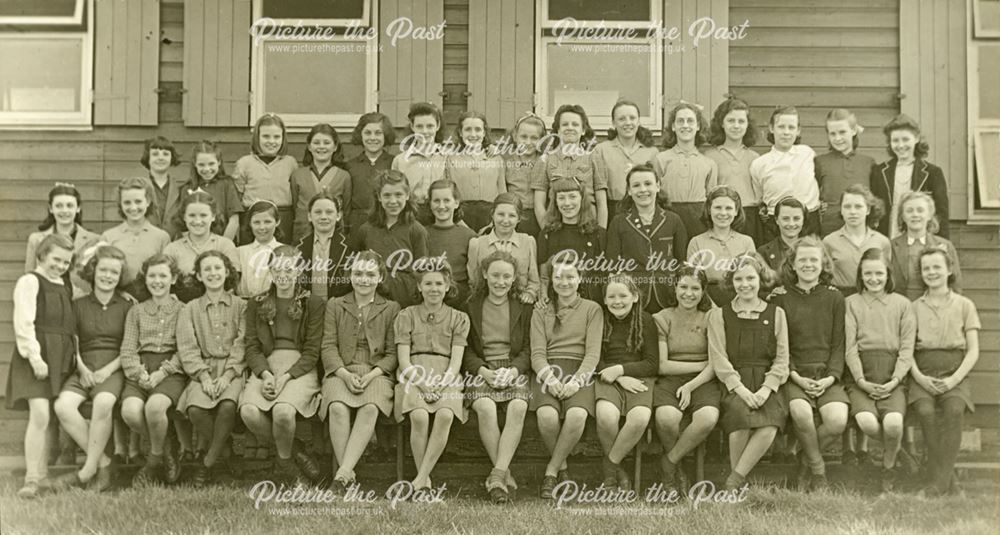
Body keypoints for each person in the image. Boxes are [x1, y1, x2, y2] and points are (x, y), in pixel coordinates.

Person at [239, 245, 324, 486]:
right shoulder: (258, 303)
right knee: (249, 412)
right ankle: (291, 455)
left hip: (298, 367)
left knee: (283, 412)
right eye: (277, 270)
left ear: (299, 271)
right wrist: (265, 375)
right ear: (271, 272)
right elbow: (252, 346)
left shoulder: (313, 303)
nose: (283, 275)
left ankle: (286, 463)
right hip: (267, 364)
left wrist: (285, 377)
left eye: (289, 269)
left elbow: (311, 351)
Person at [51, 246, 131, 492]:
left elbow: (129, 347)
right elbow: (72, 341)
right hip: (83, 366)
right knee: (62, 406)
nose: (108, 276)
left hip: (114, 367)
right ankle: (104, 463)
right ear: (93, 271)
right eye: (103, 270)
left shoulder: (127, 306)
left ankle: (87, 471)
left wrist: (107, 371)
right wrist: (82, 368)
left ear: (120, 276)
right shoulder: (78, 304)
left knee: (104, 402)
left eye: (114, 272)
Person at [708, 254, 789, 491]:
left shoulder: (776, 313)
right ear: (731, 282)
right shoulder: (720, 315)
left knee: (769, 425)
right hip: (734, 382)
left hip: (767, 381)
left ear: (760, 279)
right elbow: (719, 358)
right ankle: (738, 483)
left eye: (750, 278)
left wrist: (766, 389)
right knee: (739, 420)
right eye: (739, 279)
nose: (745, 284)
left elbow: (782, 359)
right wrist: (741, 390)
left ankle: (734, 481)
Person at [772, 237, 847, 491]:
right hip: (794, 374)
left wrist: (831, 377)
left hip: (826, 374)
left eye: (813, 259)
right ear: (792, 263)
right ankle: (818, 471)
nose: (808, 264)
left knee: (836, 420)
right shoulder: (780, 298)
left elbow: (839, 344)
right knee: (801, 414)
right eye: (802, 259)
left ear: (823, 263)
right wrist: (794, 375)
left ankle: (805, 459)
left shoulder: (835, 298)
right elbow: (780, 345)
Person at [321, 250, 400, 492]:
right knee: (337, 407)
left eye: (369, 274)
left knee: (370, 407)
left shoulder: (391, 308)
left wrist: (373, 374)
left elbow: (393, 353)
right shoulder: (335, 305)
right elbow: (328, 345)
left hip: (376, 373)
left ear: (379, 278)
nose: (363, 279)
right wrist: (343, 374)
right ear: (350, 276)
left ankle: (342, 474)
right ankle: (348, 475)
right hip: (341, 370)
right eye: (358, 273)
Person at [8, 235, 77, 499]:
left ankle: (44, 474)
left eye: (66, 262)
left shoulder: (62, 284)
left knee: (48, 418)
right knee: (39, 414)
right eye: (56, 259)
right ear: (41, 256)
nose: (60, 265)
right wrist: (35, 357)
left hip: (58, 357)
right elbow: (24, 322)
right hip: (37, 355)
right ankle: (32, 479)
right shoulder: (30, 282)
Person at [394, 260, 470, 490]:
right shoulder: (406, 315)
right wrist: (423, 385)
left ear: (447, 286)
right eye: (428, 283)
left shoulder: (459, 318)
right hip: (413, 372)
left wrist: (440, 385)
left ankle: (419, 480)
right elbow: (404, 360)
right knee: (419, 416)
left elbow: (456, 362)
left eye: (439, 283)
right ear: (419, 287)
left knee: (445, 414)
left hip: (446, 374)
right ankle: (423, 480)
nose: (433, 288)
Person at [532, 258, 603, 499]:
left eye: (570, 277)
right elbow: (537, 354)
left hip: (580, 370)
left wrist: (576, 382)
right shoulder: (541, 309)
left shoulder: (592, 309)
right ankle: (562, 469)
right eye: (559, 277)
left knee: (576, 415)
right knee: (546, 416)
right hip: (548, 369)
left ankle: (551, 471)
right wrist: (551, 380)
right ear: (551, 280)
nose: (565, 282)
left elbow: (593, 353)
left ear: (580, 279)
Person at [844, 247, 915, 492]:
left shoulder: (902, 304)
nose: (874, 279)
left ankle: (888, 467)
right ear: (860, 276)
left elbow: (907, 349)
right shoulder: (851, 303)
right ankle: (899, 451)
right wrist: (861, 381)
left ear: (888, 274)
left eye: (879, 273)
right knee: (866, 422)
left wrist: (895, 381)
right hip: (861, 374)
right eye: (868, 274)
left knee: (894, 423)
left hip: (892, 375)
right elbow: (850, 347)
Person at [910, 248, 979, 497]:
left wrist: (953, 380)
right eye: (926, 268)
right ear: (921, 273)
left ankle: (936, 483)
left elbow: (973, 351)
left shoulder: (964, 305)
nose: (932, 272)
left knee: (953, 411)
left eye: (937, 267)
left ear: (949, 270)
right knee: (926, 412)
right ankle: (948, 481)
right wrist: (919, 378)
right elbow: (906, 350)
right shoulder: (914, 307)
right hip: (922, 371)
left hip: (955, 371)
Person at [464, 251, 532, 503]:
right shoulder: (471, 305)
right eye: (495, 275)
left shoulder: (524, 307)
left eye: (506, 276)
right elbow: (466, 349)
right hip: (482, 368)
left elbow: (528, 347)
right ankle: (504, 473)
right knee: (485, 407)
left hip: (514, 367)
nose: (500, 281)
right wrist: (483, 371)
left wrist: (513, 370)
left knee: (518, 406)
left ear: (514, 278)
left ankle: (497, 475)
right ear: (484, 274)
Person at [175, 251, 246, 486]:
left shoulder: (241, 306)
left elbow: (243, 343)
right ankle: (226, 453)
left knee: (227, 406)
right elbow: (187, 347)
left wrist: (227, 375)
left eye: (217, 268)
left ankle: (207, 463)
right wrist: (203, 376)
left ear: (226, 272)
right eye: (207, 270)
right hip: (203, 368)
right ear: (199, 275)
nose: (213, 274)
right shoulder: (190, 309)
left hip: (232, 369)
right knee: (195, 409)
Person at [119, 254, 188, 485]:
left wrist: (162, 372)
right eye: (152, 276)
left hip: (171, 371)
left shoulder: (183, 310)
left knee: (155, 408)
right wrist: (140, 374)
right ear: (145, 279)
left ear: (173, 279)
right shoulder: (136, 311)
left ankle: (153, 462)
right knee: (130, 411)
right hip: (140, 368)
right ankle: (166, 446)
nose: (157, 281)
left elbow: (185, 350)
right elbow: (128, 349)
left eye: (163, 276)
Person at [652, 266, 720, 494]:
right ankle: (678, 470)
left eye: (695, 288)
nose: (688, 293)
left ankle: (668, 463)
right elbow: (662, 365)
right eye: (683, 287)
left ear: (703, 292)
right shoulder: (662, 318)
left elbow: (715, 364)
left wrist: (692, 384)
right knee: (666, 418)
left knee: (707, 418)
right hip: (671, 379)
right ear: (675, 288)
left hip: (704, 381)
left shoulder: (711, 317)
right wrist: (701, 365)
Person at [595, 273, 658, 491]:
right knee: (605, 416)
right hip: (608, 378)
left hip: (640, 378)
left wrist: (622, 369)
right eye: (611, 296)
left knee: (639, 418)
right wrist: (618, 376)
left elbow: (652, 363)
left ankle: (610, 466)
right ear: (604, 299)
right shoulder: (599, 319)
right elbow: (595, 359)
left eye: (623, 295)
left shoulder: (646, 321)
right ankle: (619, 472)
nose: (617, 301)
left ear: (635, 297)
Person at [605, 164, 687, 313]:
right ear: (629, 191)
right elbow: (613, 266)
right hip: (633, 295)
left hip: (667, 294)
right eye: (636, 185)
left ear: (658, 186)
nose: (643, 190)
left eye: (648, 184)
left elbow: (682, 263)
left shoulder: (673, 220)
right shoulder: (619, 222)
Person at [348, 170, 429, 308]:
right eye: (387, 195)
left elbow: (422, 272)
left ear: (407, 195)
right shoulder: (365, 230)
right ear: (379, 197)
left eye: (398, 195)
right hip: (373, 296)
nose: (393, 201)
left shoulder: (416, 230)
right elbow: (355, 266)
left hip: (405, 299)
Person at [870, 114, 950, 239]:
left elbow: (942, 214)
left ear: (916, 138)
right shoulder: (879, 171)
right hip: (887, 232)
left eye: (905, 139)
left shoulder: (932, 173)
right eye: (895, 140)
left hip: (921, 234)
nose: (901, 145)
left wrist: (941, 243)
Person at [531, 104, 608, 229]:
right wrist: (547, 232)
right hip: (556, 226)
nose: (570, 128)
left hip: (588, 226)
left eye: (575, 124)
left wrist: (601, 234)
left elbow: (602, 203)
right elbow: (539, 204)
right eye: (565, 124)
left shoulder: (594, 158)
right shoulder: (545, 160)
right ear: (557, 130)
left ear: (583, 130)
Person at [750, 106, 821, 241]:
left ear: (798, 131)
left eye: (791, 127)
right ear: (771, 128)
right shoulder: (760, 164)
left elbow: (818, 182)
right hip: (775, 223)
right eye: (781, 127)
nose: (786, 132)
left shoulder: (808, 154)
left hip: (809, 221)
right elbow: (760, 197)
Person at [651, 102, 718, 236]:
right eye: (680, 121)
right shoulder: (661, 159)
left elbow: (712, 199)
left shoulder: (709, 163)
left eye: (690, 121)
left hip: (699, 220)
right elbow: (654, 194)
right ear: (673, 127)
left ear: (698, 126)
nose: (685, 125)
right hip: (668, 216)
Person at [25, 183, 100, 297]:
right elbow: (29, 277)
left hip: (81, 302)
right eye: (59, 206)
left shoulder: (94, 240)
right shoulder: (36, 239)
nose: (64, 211)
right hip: (48, 302)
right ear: (51, 208)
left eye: (69, 205)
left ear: (78, 208)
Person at [233, 113, 298, 244]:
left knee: (281, 257)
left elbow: (296, 195)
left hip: (283, 217)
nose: (271, 141)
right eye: (266, 136)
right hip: (253, 218)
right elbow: (237, 198)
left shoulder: (290, 163)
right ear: (257, 137)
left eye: (276, 137)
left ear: (283, 138)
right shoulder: (244, 163)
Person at [704, 98, 762, 244]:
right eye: (731, 121)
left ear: (748, 125)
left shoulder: (755, 158)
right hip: (722, 216)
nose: (736, 126)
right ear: (721, 124)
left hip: (750, 217)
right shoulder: (710, 156)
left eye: (741, 121)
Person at [467, 194, 541, 304]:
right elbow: (473, 281)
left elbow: (534, 281)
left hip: (520, 303)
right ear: (492, 215)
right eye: (501, 214)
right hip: (487, 302)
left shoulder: (528, 242)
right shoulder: (477, 244)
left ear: (519, 218)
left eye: (512, 216)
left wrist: (529, 293)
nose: (505, 220)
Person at [688, 186, 756, 306]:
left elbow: (750, 280)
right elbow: (694, 282)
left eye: (728, 208)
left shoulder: (746, 242)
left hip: (740, 303)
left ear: (736, 211)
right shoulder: (697, 242)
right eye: (718, 207)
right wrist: (712, 309)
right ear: (709, 209)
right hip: (707, 304)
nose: (723, 213)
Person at [592, 100, 658, 221]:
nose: (628, 123)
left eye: (632, 118)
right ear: (613, 123)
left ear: (639, 121)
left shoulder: (652, 152)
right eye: (622, 119)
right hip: (612, 210)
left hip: (642, 210)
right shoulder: (601, 150)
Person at [889, 192, 961, 300]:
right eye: (909, 211)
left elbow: (955, 284)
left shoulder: (944, 245)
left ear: (929, 215)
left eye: (920, 210)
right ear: (903, 216)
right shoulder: (891, 246)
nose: (915, 215)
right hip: (901, 309)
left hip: (934, 307)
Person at [815, 109, 876, 237]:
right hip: (830, 229)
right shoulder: (820, 162)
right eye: (832, 134)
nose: (838, 138)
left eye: (842, 132)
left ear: (853, 131)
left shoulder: (868, 162)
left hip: (861, 228)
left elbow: (874, 197)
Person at [822, 184, 891, 296]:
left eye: (858, 206)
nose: (852, 212)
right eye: (847, 207)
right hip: (841, 298)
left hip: (872, 297)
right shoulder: (829, 241)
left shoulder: (882, 241)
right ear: (841, 210)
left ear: (868, 209)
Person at [445, 110, 507, 234]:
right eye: (468, 129)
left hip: (490, 218)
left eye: (478, 130)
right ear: (460, 133)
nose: (473, 134)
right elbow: (448, 193)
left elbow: (502, 193)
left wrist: (492, 224)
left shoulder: (496, 159)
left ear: (484, 133)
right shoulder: (451, 159)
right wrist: (460, 223)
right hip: (461, 217)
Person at [290, 123, 351, 244]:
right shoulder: (297, 175)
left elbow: (347, 210)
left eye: (327, 143)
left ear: (335, 147)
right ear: (309, 146)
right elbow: (294, 206)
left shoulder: (344, 176)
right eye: (316, 143)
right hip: (302, 233)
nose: (321, 147)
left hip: (333, 234)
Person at [392, 102, 447, 225]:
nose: (425, 131)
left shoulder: (447, 157)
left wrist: (489, 147)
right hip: (410, 215)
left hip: (440, 215)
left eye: (430, 126)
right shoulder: (401, 160)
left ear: (437, 126)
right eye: (419, 126)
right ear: (412, 127)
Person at [184, 140, 242, 241]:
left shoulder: (227, 184)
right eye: (202, 165)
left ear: (219, 162)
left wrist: (223, 245)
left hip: (222, 242)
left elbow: (234, 220)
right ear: (195, 164)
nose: (207, 169)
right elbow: (183, 223)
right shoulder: (187, 188)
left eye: (211, 164)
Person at [346, 112, 396, 232]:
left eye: (378, 133)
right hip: (357, 223)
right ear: (360, 135)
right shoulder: (350, 166)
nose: (372, 138)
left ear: (386, 135)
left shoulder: (394, 163)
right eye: (367, 133)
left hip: (386, 221)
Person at [503, 112, 547, 237]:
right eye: (524, 137)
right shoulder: (507, 161)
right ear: (515, 136)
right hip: (514, 217)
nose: (528, 142)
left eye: (534, 138)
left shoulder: (545, 161)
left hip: (540, 216)